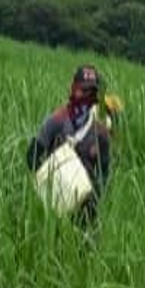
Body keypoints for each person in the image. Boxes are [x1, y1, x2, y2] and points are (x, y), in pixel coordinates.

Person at [27, 65, 112, 224]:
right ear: (73, 89)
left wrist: (95, 196)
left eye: (91, 92)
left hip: (86, 209)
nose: (86, 96)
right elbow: (32, 156)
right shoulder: (56, 121)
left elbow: (104, 172)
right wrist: (47, 183)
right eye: (83, 90)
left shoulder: (100, 132)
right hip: (54, 206)